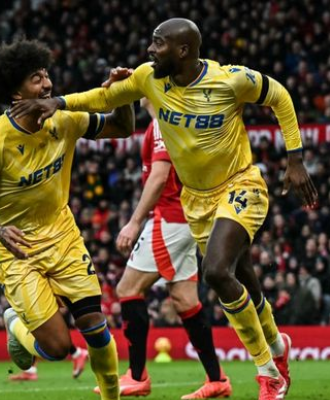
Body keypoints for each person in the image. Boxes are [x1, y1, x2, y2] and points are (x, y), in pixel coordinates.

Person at [11, 18, 317, 400]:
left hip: (240, 185)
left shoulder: (230, 80)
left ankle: (267, 372)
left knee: (216, 272)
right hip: (196, 201)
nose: (150, 50)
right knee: (243, 278)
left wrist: (295, 159)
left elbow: (280, 96)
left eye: (158, 44)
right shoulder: (148, 79)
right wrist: (57, 102)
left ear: (183, 50)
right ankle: (276, 344)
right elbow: (104, 99)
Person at [0, 39, 135, 400]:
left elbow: (122, 127)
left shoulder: (63, 119)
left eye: (46, 74)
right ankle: (14, 323)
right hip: (16, 249)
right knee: (57, 348)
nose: (48, 84)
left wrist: (122, 94)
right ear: (15, 92)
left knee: (96, 328)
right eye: (36, 78)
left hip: (62, 235)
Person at [96, 98, 231, 399]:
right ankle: (217, 379)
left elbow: (159, 176)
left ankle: (136, 376)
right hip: (185, 218)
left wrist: (134, 222)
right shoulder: (176, 120)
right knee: (184, 300)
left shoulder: (161, 123)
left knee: (128, 289)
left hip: (169, 218)